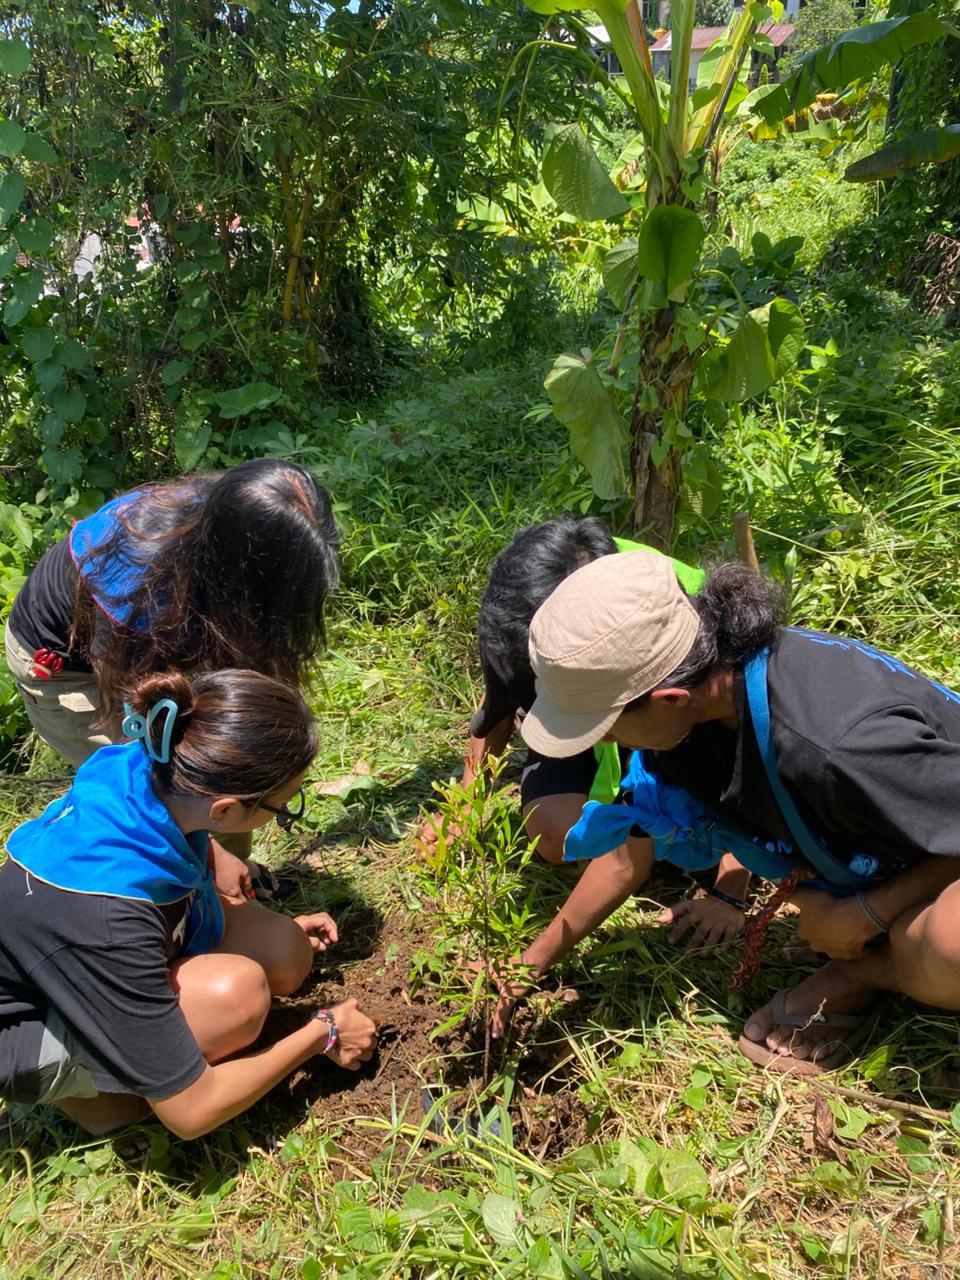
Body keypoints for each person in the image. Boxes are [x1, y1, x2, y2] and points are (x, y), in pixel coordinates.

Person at [487, 550, 960, 1074]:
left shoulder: (836, 743)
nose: (609, 743)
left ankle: (869, 972)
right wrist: (528, 965)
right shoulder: (699, 713)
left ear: (667, 698)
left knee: (952, 942)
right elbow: (628, 848)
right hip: (899, 847)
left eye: (608, 727)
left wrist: (864, 914)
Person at [0, 668, 377, 1137]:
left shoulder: (155, 762)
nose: (284, 815)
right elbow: (190, 1116)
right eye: (282, 808)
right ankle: (100, 1097)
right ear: (224, 811)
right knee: (235, 998)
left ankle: (143, 1049)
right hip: (33, 1028)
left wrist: (213, 854)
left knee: (285, 952)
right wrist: (323, 1032)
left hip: (97, 940)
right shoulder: (109, 918)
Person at [419, 517, 750, 944]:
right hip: (581, 719)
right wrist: (465, 803)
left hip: (660, 718)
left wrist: (731, 888)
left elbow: (750, 752)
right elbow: (497, 699)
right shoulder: (527, 595)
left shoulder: (684, 612)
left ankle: (675, 824)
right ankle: (653, 825)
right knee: (558, 837)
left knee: (676, 829)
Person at [4, 458, 339, 765]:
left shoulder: (239, 508)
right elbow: (134, 703)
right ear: (242, 568)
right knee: (159, 779)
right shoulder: (139, 587)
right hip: (70, 667)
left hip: (155, 627)